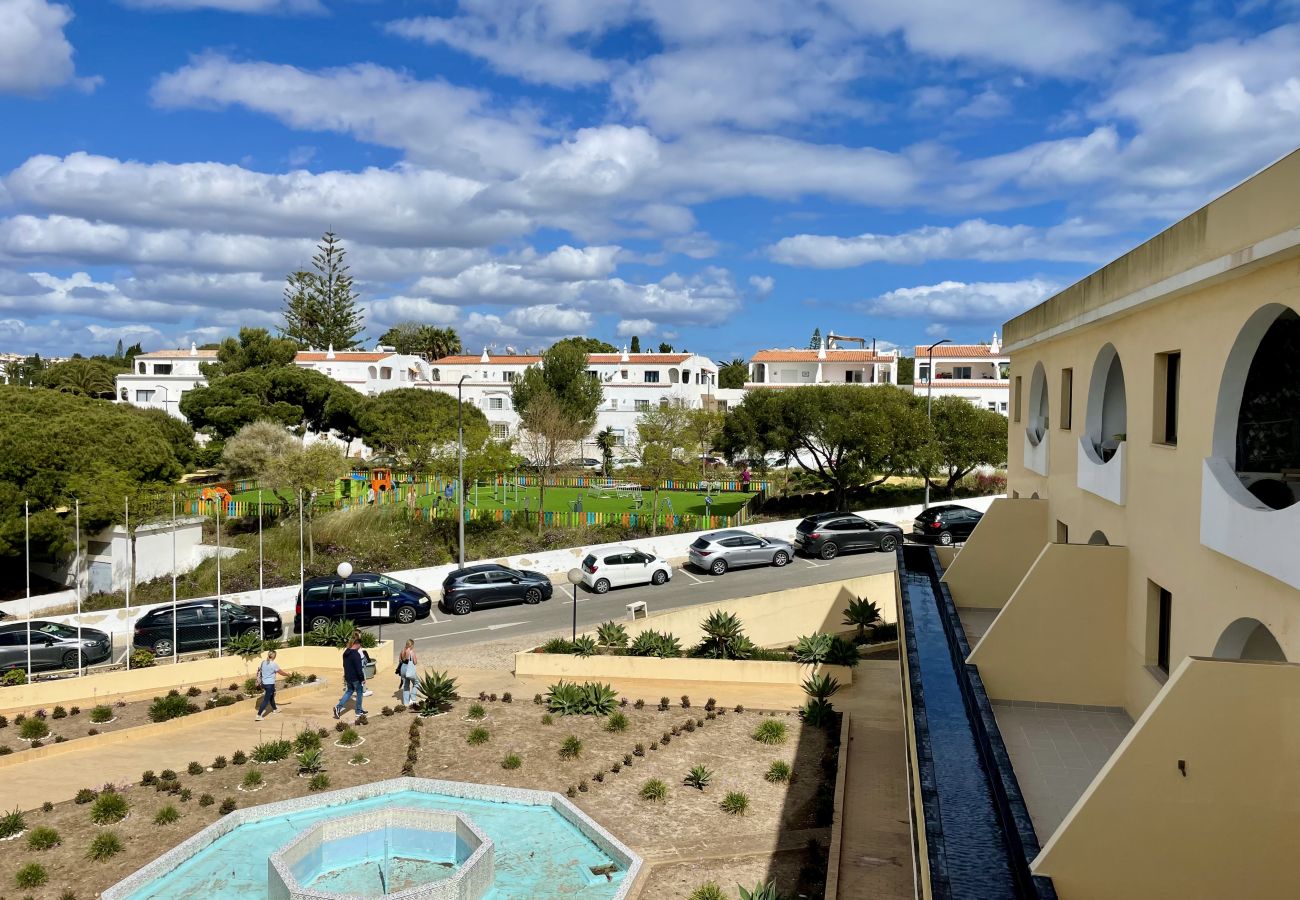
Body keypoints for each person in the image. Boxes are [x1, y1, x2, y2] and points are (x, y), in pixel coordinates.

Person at [334, 637, 368, 721]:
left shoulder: (346, 653)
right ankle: (358, 711)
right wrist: (362, 678)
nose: (360, 647)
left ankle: (338, 707)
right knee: (359, 693)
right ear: (357, 644)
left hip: (348, 677)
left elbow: (344, 665)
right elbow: (358, 668)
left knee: (349, 691)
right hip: (356, 678)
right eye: (360, 645)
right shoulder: (356, 654)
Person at [254, 650, 290, 721]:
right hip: (269, 684)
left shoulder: (263, 662)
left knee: (271, 697)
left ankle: (275, 709)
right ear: (274, 656)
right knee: (266, 700)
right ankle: (258, 715)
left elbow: (260, 671)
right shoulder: (273, 664)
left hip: (264, 684)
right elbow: (281, 672)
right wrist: (288, 675)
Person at [398, 639, 418, 706]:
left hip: (403, 669)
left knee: (406, 686)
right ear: (411, 645)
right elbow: (415, 662)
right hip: (409, 670)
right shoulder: (411, 652)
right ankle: (413, 698)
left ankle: (406, 703)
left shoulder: (402, 651)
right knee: (416, 683)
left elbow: (400, 661)